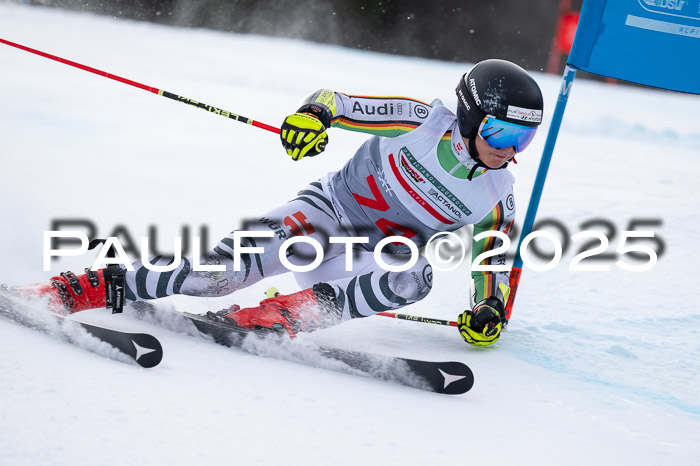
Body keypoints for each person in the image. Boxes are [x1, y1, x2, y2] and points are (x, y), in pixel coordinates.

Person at [18, 59, 543, 347]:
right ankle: (87, 284)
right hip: (324, 216)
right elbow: (339, 104)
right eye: (500, 132)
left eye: (523, 140)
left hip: (367, 259)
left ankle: (277, 317)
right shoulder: (421, 121)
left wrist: (489, 308)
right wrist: (313, 117)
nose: (507, 150)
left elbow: (493, 257)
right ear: (473, 117)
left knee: (415, 278)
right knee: (213, 277)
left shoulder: (498, 193)